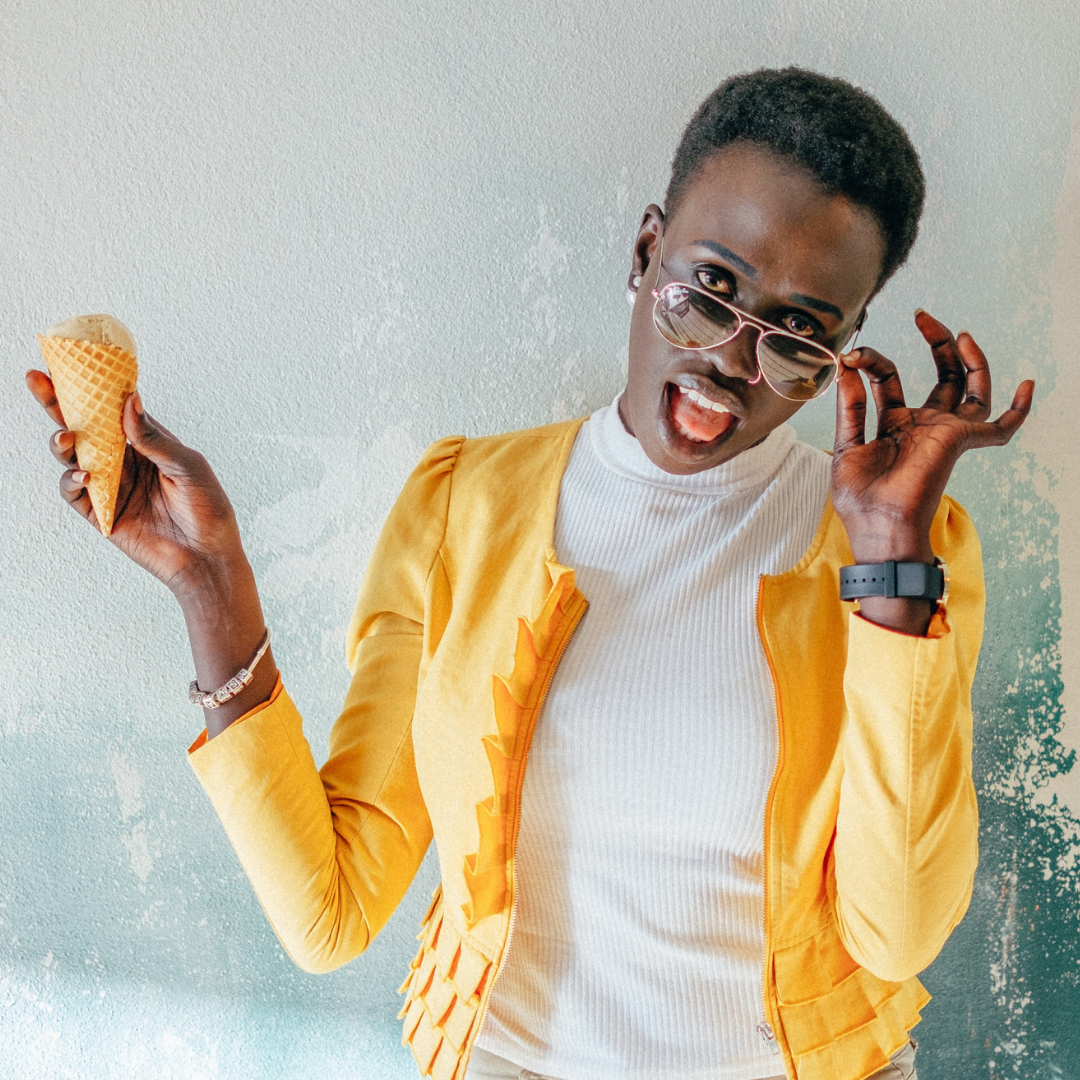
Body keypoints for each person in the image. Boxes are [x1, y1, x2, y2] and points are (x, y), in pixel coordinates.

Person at [28, 69, 1033, 1080]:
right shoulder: (465, 504)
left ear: (844, 351)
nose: (733, 359)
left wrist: (892, 571)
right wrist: (213, 586)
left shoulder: (897, 549)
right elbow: (329, 914)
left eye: (798, 333)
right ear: (646, 252)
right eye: (711, 289)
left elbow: (895, 935)